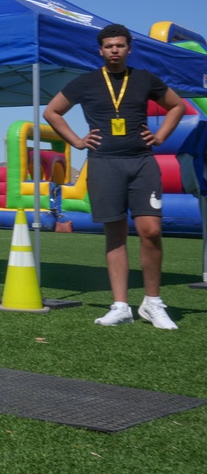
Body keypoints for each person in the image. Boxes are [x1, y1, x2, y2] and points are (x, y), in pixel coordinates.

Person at [44, 23, 186, 330]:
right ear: (101, 50)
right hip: (104, 163)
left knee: (150, 230)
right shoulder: (85, 82)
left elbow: (176, 106)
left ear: (128, 48)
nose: (114, 51)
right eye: (109, 46)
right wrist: (77, 141)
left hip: (141, 162)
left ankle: (152, 302)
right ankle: (121, 305)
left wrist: (160, 135)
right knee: (115, 233)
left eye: (120, 45)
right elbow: (52, 112)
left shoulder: (145, 79)